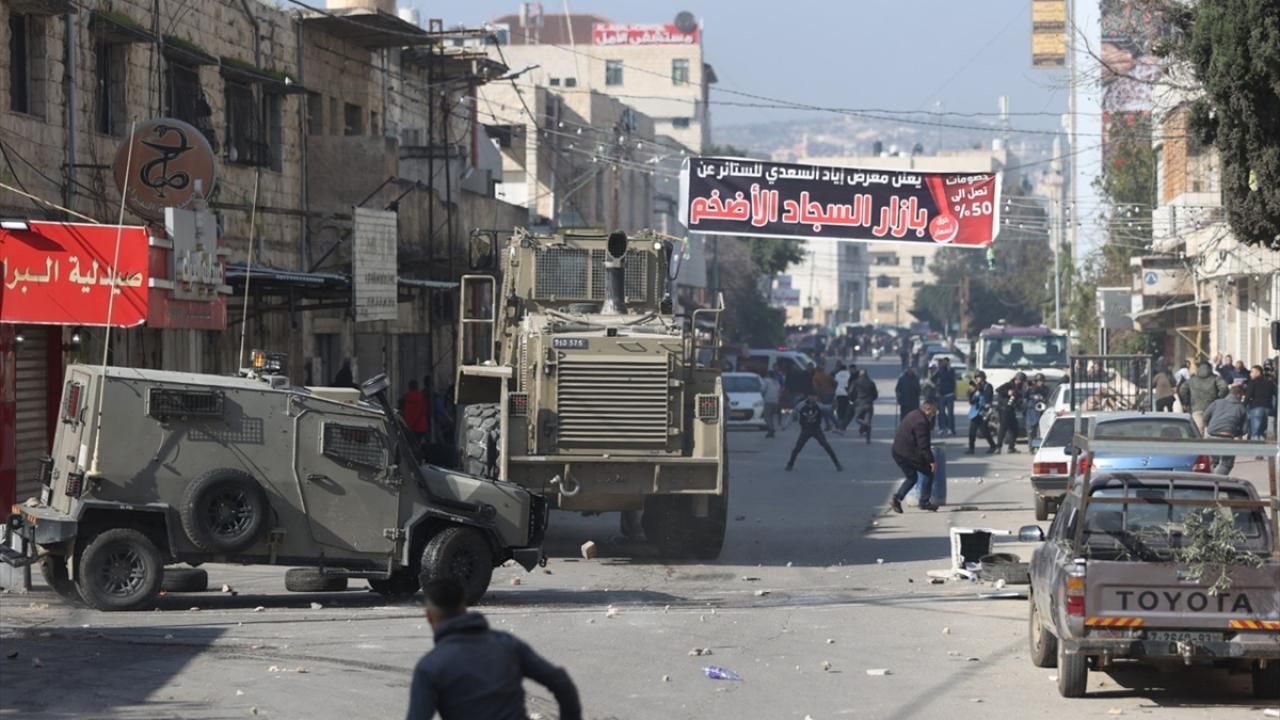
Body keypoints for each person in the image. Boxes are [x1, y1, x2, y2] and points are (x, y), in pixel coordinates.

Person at [407, 578, 582, 720]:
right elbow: (560, 681)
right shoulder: (506, 644)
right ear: (464, 607)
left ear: (429, 617)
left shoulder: (430, 667)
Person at [889, 401, 940, 514]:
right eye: (933, 412)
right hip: (907, 453)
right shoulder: (921, 422)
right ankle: (924, 502)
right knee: (929, 472)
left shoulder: (913, 414)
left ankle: (897, 498)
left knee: (912, 477)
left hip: (898, 451)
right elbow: (923, 445)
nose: (934, 415)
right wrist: (931, 461)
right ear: (927, 410)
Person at [785, 392, 843, 472]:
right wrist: (785, 425)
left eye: (815, 397)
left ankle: (837, 464)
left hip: (816, 429)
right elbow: (792, 415)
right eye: (812, 396)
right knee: (797, 448)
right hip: (805, 430)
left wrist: (834, 404)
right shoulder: (801, 405)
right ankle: (790, 464)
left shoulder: (819, 405)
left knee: (827, 446)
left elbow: (829, 408)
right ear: (808, 396)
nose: (813, 398)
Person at [1203, 385, 1248, 475]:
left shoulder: (1216, 403)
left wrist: (1210, 426)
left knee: (1212, 461)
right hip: (1228, 437)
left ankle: (1209, 478)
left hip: (1212, 436)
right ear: (1238, 395)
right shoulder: (1241, 408)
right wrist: (1234, 433)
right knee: (1226, 464)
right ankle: (1217, 479)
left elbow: (1205, 417)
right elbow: (1244, 429)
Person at [1187, 360, 1229, 433]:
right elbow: (1224, 388)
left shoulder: (1192, 379)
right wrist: (1219, 398)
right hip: (1212, 407)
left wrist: (1186, 401)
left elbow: (1182, 389)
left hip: (1196, 408)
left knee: (1198, 431)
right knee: (1210, 431)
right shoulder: (1215, 378)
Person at [993, 372, 1028, 454]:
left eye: (1021, 381)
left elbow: (1018, 400)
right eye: (1019, 380)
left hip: (1011, 410)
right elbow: (998, 390)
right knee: (1003, 428)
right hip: (1004, 409)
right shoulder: (1009, 384)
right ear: (1016, 379)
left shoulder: (1020, 388)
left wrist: (1020, 404)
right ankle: (998, 447)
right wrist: (1007, 392)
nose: (1019, 382)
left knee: (1014, 429)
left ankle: (1011, 448)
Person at [966, 371, 998, 455]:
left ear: (983, 377)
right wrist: (971, 392)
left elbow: (988, 397)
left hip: (984, 411)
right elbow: (971, 400)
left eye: (979, 377)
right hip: (975, 412)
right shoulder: (974, 386)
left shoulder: (988, 386)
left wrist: (980, 390)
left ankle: (993, 446)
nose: (977, 379)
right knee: (972, 431)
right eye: (976, 378)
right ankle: (971, 448)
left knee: (984, 430)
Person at [1244, 364, 1277, 441]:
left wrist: (1243, 405)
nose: (1250, 374)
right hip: (1268, 409)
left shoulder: (1253, 382)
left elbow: (1248, 395)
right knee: (1262, 434)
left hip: (1256, 408)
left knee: (1255, 434)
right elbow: (1276, 395)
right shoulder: (1270, 383)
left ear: (1258, 372)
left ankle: (1255, 448)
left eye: (1252, 372)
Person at [400, 380, 430, 457]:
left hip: (408, 425)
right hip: (420, 426)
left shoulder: (405, 398)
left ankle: (411, 457)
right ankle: (418, 457)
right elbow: (425, 410)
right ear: (417, 387)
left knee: (410, 443)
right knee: (418, 443)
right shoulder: (422, 397)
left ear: (409, 387)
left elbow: (400, 411)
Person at [850, 369, 879, 443]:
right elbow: (875, 395)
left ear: (859, 375)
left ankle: (865, 425)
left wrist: (853, 400)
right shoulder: (871, 383)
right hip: (868, 404)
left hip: (859, 404)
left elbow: (850, 392)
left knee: (857, 419)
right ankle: (868, 439)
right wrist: (871, 399)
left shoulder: (855, 382)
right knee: (868, 421)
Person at [934, 356, 957, 436]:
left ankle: (951, 429)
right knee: (941, 413)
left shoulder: (951, 371)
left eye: (946, 362)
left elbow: (953, 381)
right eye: (943, 362)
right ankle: (942, 428)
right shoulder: (940, 370)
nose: (944, 364)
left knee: (950, 413)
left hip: (950, 394)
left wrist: (955, 393)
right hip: (941, 395)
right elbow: (933, 378)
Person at [1024, 373, 1049, 443]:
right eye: (1039, 381)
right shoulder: (1030, 389)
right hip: (1031, 412)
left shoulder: (1045, 389)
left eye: (1042, 381)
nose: (1041, 383)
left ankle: (1038, 445)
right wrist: (1028, 389)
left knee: (1040, 431)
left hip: (1041, 412)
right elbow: (1024, 398)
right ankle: (1031, 445)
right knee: (1031, 431)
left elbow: (1048, 398)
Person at [761, 370, 782, 438]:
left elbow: (763, 389)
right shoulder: (776, 382)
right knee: (771, 416)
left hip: (768, 400)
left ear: (768, 374)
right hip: (776, 401)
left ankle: (771, 429)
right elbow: (779, 391)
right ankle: (771, 430)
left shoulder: (766, 381)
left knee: (766, 416)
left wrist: (762, 396)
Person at [833, 362, 853, 429]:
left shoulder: (837, 375)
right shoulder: (849, 375)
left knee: (839, 407)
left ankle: (840, 419)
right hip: (846, 393)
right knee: (846, 408)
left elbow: (834, 384)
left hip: (838, 393)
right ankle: (843, 422)